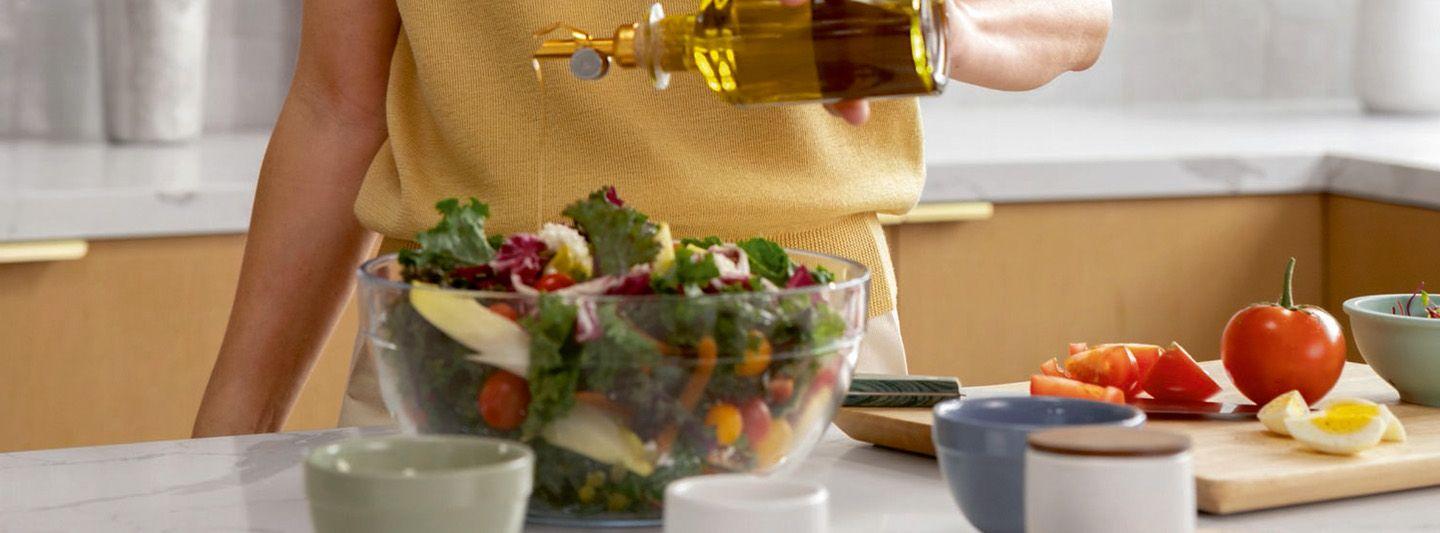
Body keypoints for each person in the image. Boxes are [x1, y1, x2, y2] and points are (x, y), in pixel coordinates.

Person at [193, 0, 1112, 436]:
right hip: (457, 364)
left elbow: (1076, 13)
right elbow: (334, 105)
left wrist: (942, 27)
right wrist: (232, 434)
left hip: (782, 367)